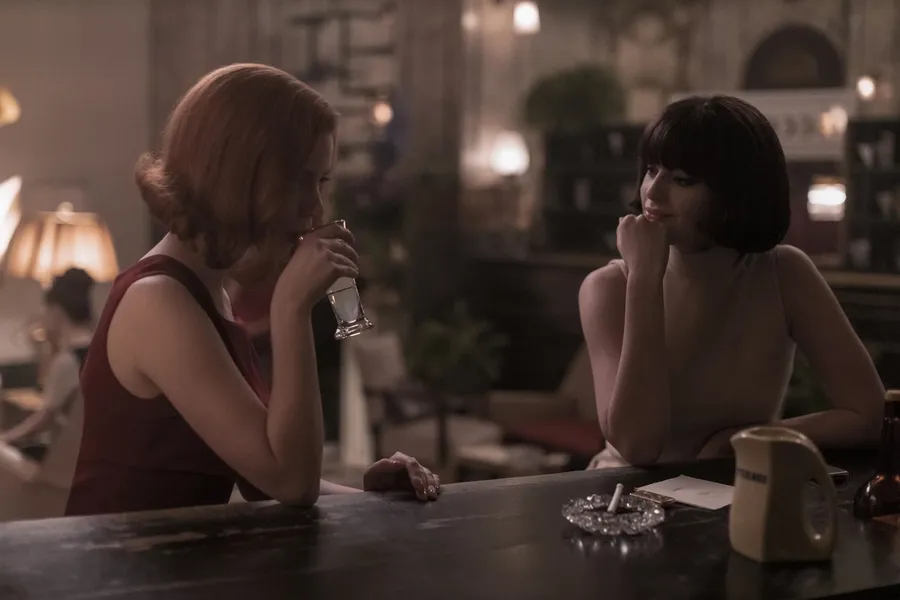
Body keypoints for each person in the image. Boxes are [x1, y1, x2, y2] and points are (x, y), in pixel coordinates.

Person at [65, 63, 440, 516]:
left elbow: (264, 474)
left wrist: (372, 500)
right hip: (112, 562)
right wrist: (291, 307)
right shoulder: (157, 300)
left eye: (321, 181)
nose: (316, 208)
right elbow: (290, 481)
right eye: (298, 180)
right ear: (237, 177)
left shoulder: (209, 293)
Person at [579, 95, 884, 469]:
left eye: (683, 180)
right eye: (652, 170)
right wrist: (644, 278)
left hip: (734, 492)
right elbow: (637, 447)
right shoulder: (609, 286)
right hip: (624, 496)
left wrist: (745, 441)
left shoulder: (784, 273)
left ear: (734, 193)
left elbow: (870, 416)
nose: (653, 193)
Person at [0, 268, 95, 461]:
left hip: (66, 458)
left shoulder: (67, 361)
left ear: (56, 311)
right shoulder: (98, 348)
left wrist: (5, 438)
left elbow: (44, 419)